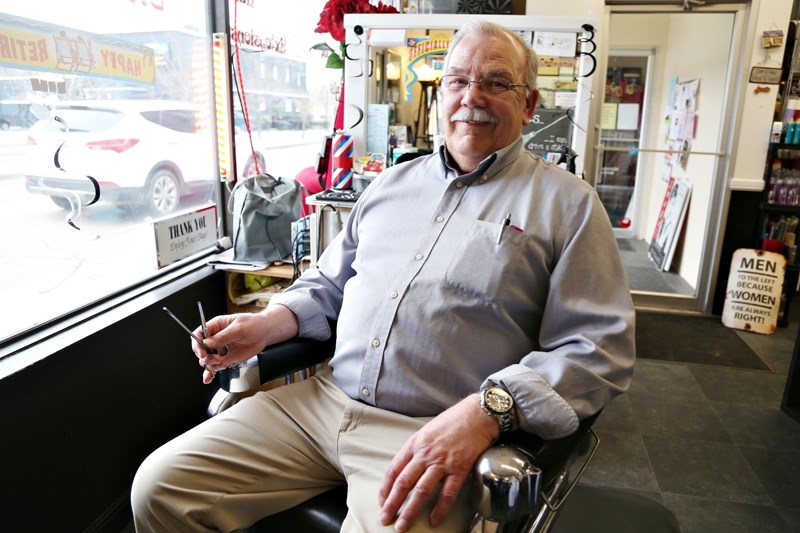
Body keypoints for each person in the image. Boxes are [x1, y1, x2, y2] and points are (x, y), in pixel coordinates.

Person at [132, 20, 635, 533]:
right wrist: (265, 324)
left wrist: (486, 412)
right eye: (458, 81)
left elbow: (598, 349)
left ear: (528, 105)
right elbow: (329, 284)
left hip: (431, 429)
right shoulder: (391, 184)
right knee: (161, 488)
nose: (471, 96)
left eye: (495, 82)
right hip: (320, 404)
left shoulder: (569, 205)